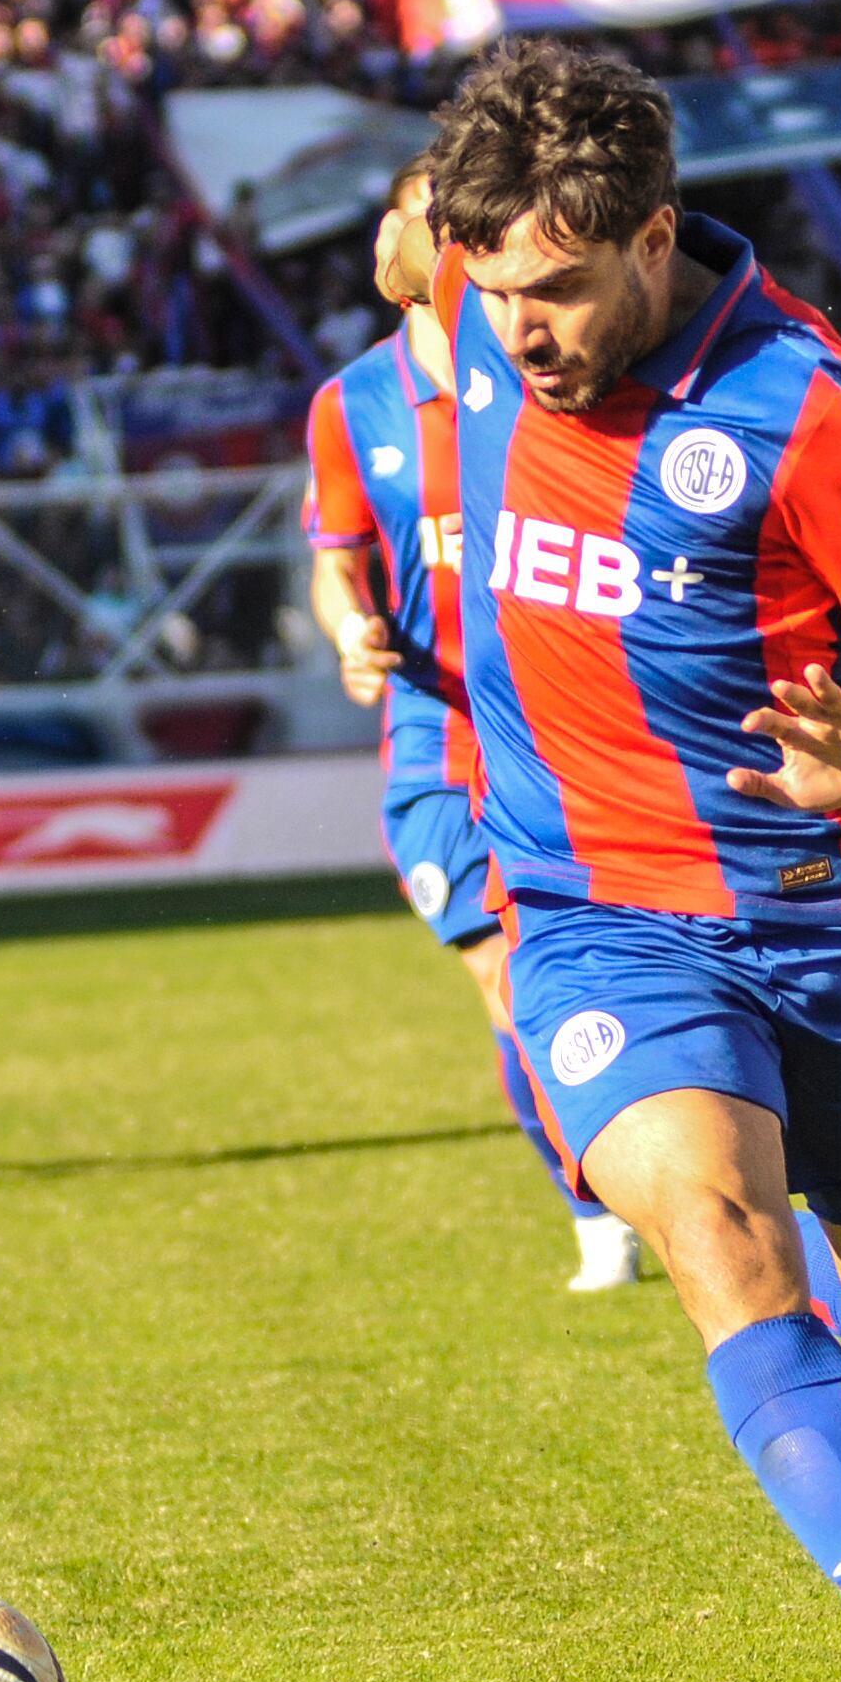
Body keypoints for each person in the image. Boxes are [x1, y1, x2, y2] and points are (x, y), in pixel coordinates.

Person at [421, 40, 841, 1682]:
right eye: (490, 288)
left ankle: (820, 1353)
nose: (517, 328)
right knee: (714, 1226)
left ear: (651, 238)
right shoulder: (468, 311)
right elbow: (438, 258)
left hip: (818, 918)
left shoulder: (804, 400)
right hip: (592, 908)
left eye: (552, 288)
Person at [305, 160, 644, 1292]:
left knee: (597, 967)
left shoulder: (551, 374)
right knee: (506, 979)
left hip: (565, 731)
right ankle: (593, 1202)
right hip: (436, 740)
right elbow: (334, 566)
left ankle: (676, 1165)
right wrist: (350, 627)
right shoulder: (352, 403)